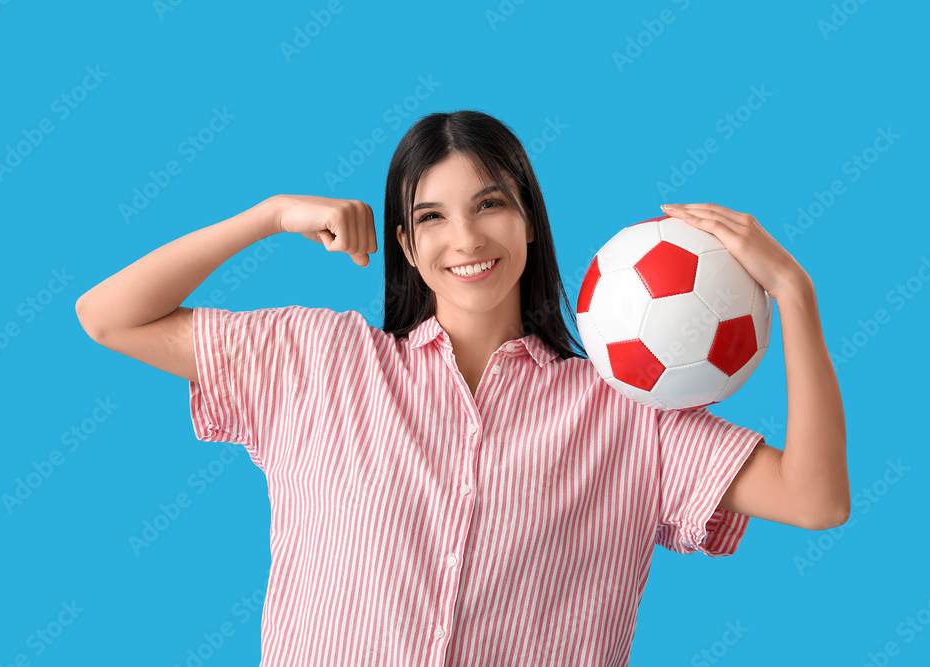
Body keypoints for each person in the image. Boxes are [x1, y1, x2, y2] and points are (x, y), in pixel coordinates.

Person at [75, 110, 849, 666]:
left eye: (490, 205)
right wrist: (269, 216)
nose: (467, 239)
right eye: (433, 217)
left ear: (530, 223)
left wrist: (792, 291)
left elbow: (816, 498)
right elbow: (108, 317)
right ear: (407, 246)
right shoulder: (316, 362)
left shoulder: (627, 414)